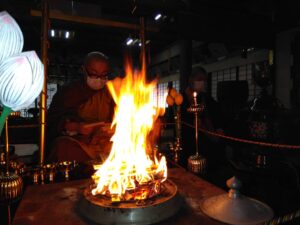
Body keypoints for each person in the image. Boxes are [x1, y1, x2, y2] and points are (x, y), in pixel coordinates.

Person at [46, 52, 115, 163]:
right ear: (83, 70)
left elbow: (119, 118)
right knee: (63, 148)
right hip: (79, 142)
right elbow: (53, 121)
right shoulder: (69, 92)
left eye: (103, 75)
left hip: (103, 142)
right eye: (94, 74)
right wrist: (76, 127)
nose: (99, 79)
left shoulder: (110, 92)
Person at [181, 66, 225, 169]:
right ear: (191, 80)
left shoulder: (206, 97)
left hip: (208, 140)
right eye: (199, 79)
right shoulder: (181, 99)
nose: (202, 83)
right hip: (189, 141)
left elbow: (217, 113)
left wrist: (219, 127)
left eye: (204, 80)